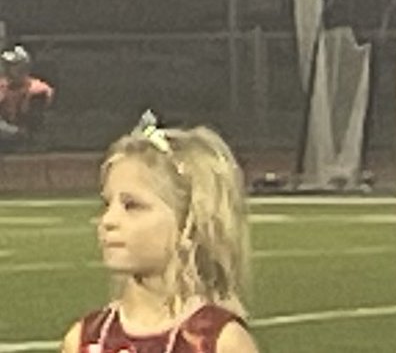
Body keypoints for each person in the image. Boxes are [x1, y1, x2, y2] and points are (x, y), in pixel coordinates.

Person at [59, 113, 258, 353]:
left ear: (188, 222)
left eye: (132, 206)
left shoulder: (217, 342)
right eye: (107, 204)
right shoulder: (85, 339)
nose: (108, 221)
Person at [0, 45, 54, 151]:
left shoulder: (37, 89)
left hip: (27, 137)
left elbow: (33, 121)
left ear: (24, 67)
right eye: (7, 65)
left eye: (13, 65)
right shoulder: (2, 87)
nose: (8, 69)